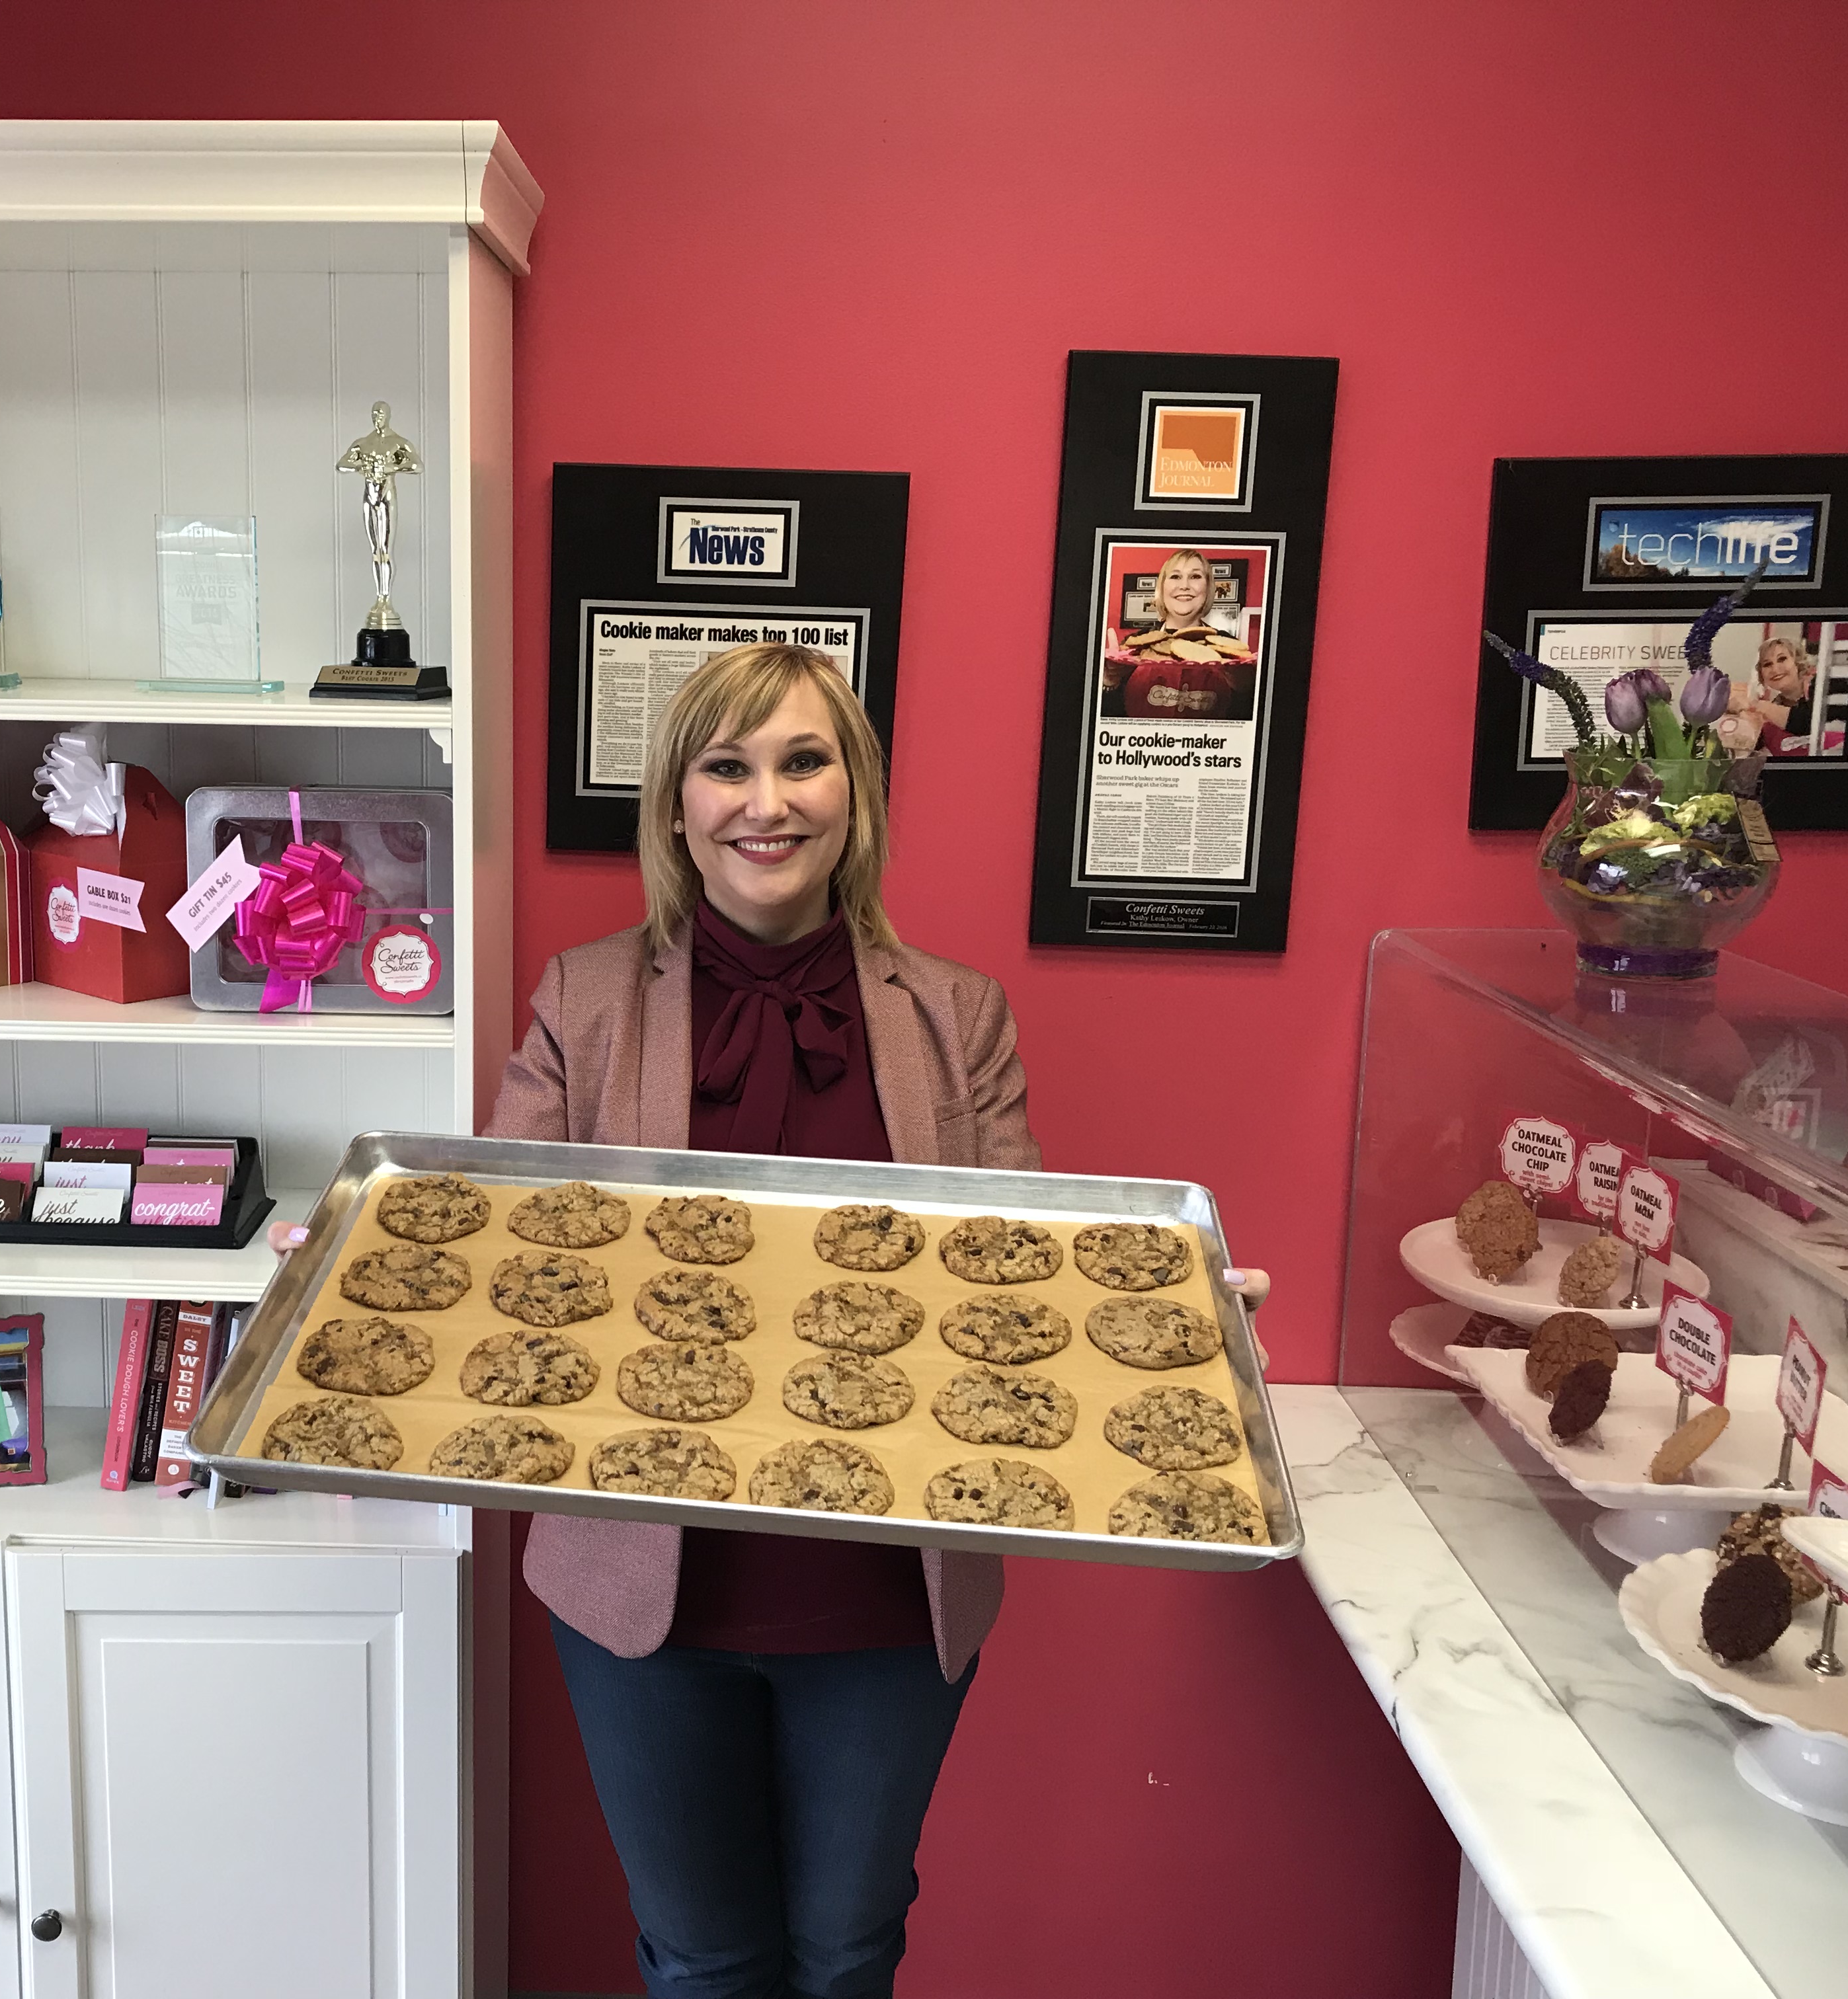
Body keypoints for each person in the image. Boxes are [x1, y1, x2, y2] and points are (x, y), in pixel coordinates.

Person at [487, 643, 1265, 1999]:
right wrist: (359, 1266)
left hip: (886, 1599)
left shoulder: (956, 1015)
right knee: (700, 1958)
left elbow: (1015, 1283)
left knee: (848, 1949)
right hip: (642, 1591)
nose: (766, 801)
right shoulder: (585, 1000)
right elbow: (511, 1253)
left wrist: (1175, 1312)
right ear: (676, 803)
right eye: (726, 767)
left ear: (855, 791)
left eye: (804, 760)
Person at [1100, 548, 1257, 722]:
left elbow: (1251, 724)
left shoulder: (1229, 649)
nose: (1184, 586)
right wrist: (1109, 683)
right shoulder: (1133, 646)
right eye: (1175, 576)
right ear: (1162, 588)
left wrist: (1245, 690)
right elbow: (1108, 720)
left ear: (1208, 588)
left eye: (1195, 576)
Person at [1749, 633, 1821, 756]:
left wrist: (1758, 705)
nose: (1775, 669)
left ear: (1798, 662)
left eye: (1782, 659)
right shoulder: (1769, 716)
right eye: (1767, 664)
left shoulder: (1821, 686)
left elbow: (1808, 722)